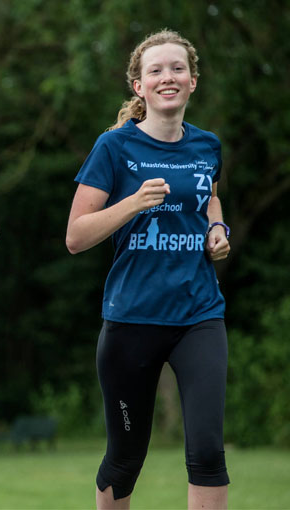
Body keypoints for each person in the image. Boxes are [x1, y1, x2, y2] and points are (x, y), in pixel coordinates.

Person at [66, 30, 230, 509]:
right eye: (155, 70)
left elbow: (211, 196)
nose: (167, 77)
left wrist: (217, 228)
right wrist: (134, 203)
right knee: (125, 459)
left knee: (206, 451)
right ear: (139, 86)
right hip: (131, 319)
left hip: (199, 314)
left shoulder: (207, 145)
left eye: (177, 68)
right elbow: (76, 236)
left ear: (192, 81)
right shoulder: (114, 149)